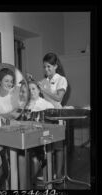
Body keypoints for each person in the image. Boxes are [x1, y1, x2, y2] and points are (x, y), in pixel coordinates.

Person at [38, 52, 68, 180]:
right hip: (46, 117)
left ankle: (59, 174)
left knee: (58, 146)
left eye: (49, 66)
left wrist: (44, 89)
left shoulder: (61, 79)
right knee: (46, 145)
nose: (46, 69)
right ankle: (47, 173)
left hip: (57, 116)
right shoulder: (44, 81)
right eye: (44, 67)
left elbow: (59, 97)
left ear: (56, 66)